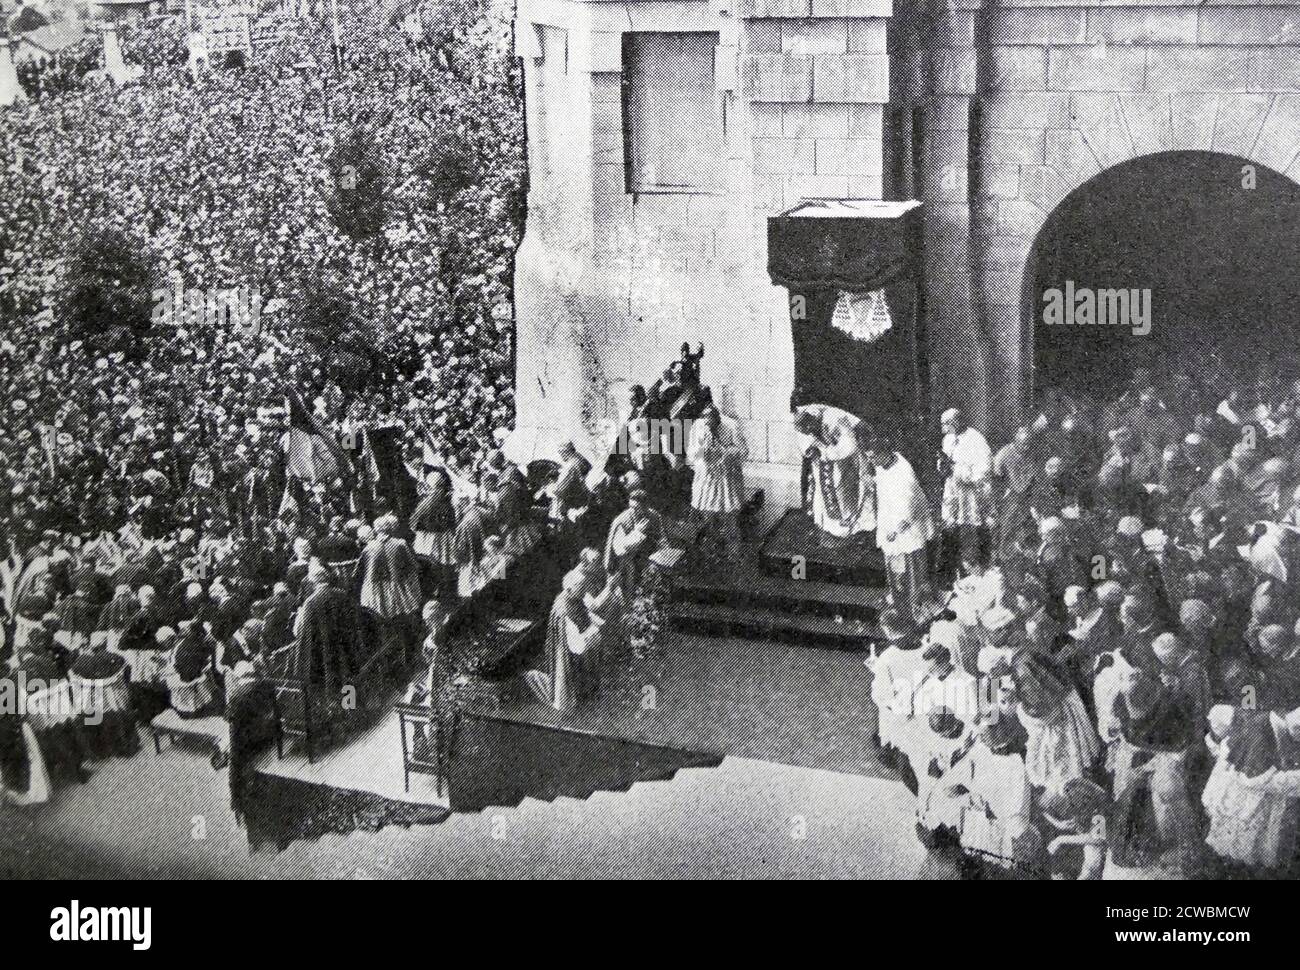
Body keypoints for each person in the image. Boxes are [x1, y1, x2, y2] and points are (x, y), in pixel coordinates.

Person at [867, 435, 935, 623]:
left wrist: (895, 531)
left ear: (883, 453)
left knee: (912, 573)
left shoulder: (904, 474)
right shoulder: (885, 464)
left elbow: (909, 508)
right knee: (896, 571)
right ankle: (899, 605)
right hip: (890, 524)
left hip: (906, 531)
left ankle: (916, 613)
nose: (871, 460)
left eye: (873, 457)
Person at [525, 566, 602, 714]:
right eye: (582, 587)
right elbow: (576, 646)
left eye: (585, 586)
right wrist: (593, 633)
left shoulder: (575, 598)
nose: (585, 590)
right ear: (570, 589)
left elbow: (585, 614)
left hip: (578, 646)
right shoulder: (564, 609)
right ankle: (532, 678)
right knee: (564, 692)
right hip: (566, 651)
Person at [793, 404, 875, 543]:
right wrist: (812, 450)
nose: (809, 431)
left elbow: (850, 445)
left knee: (844, 492)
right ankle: (826, 525)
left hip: (847, 461)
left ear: (814, 420)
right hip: (824, 461)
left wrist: (828, 453)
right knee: (821, 490)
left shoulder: (835, 419)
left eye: (810, 428)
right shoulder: (802, 415)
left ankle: (850, 529)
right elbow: (805, 439)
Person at [686, 405, 747, 557]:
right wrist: (701, 451)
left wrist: (724, 452)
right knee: (708, 518)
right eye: (706, 423)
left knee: (730, 518)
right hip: (706, 480)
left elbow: (744, 451)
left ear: (718, 419)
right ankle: (712, 552)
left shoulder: (731, 426)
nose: (709, 427)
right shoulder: (698, 427)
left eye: (713, 423)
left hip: (727, 480)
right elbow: (691, 454)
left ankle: (733, 554)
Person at [939, 408, 992, 572]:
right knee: (950, 526)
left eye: (947, 424)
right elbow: (944, 462)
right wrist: (943, 467)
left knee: (970, 529)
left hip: (971, 494)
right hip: (953, 489)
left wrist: (958, 470)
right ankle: (954, 570)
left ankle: (973, 567)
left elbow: (984, 470)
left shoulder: (976, 440)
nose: (945, 429)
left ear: (957, 422)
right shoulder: (948, 439)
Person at [604, 489, 663, 599]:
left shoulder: (654, 517)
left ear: (646, 507)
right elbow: (619, 549)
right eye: (631, 507)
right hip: (623, 566)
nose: (633, 511)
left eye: (637, 508)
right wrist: (637, 534)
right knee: (624, 600)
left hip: (646, 562)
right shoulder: (622, 521)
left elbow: (661, 539)